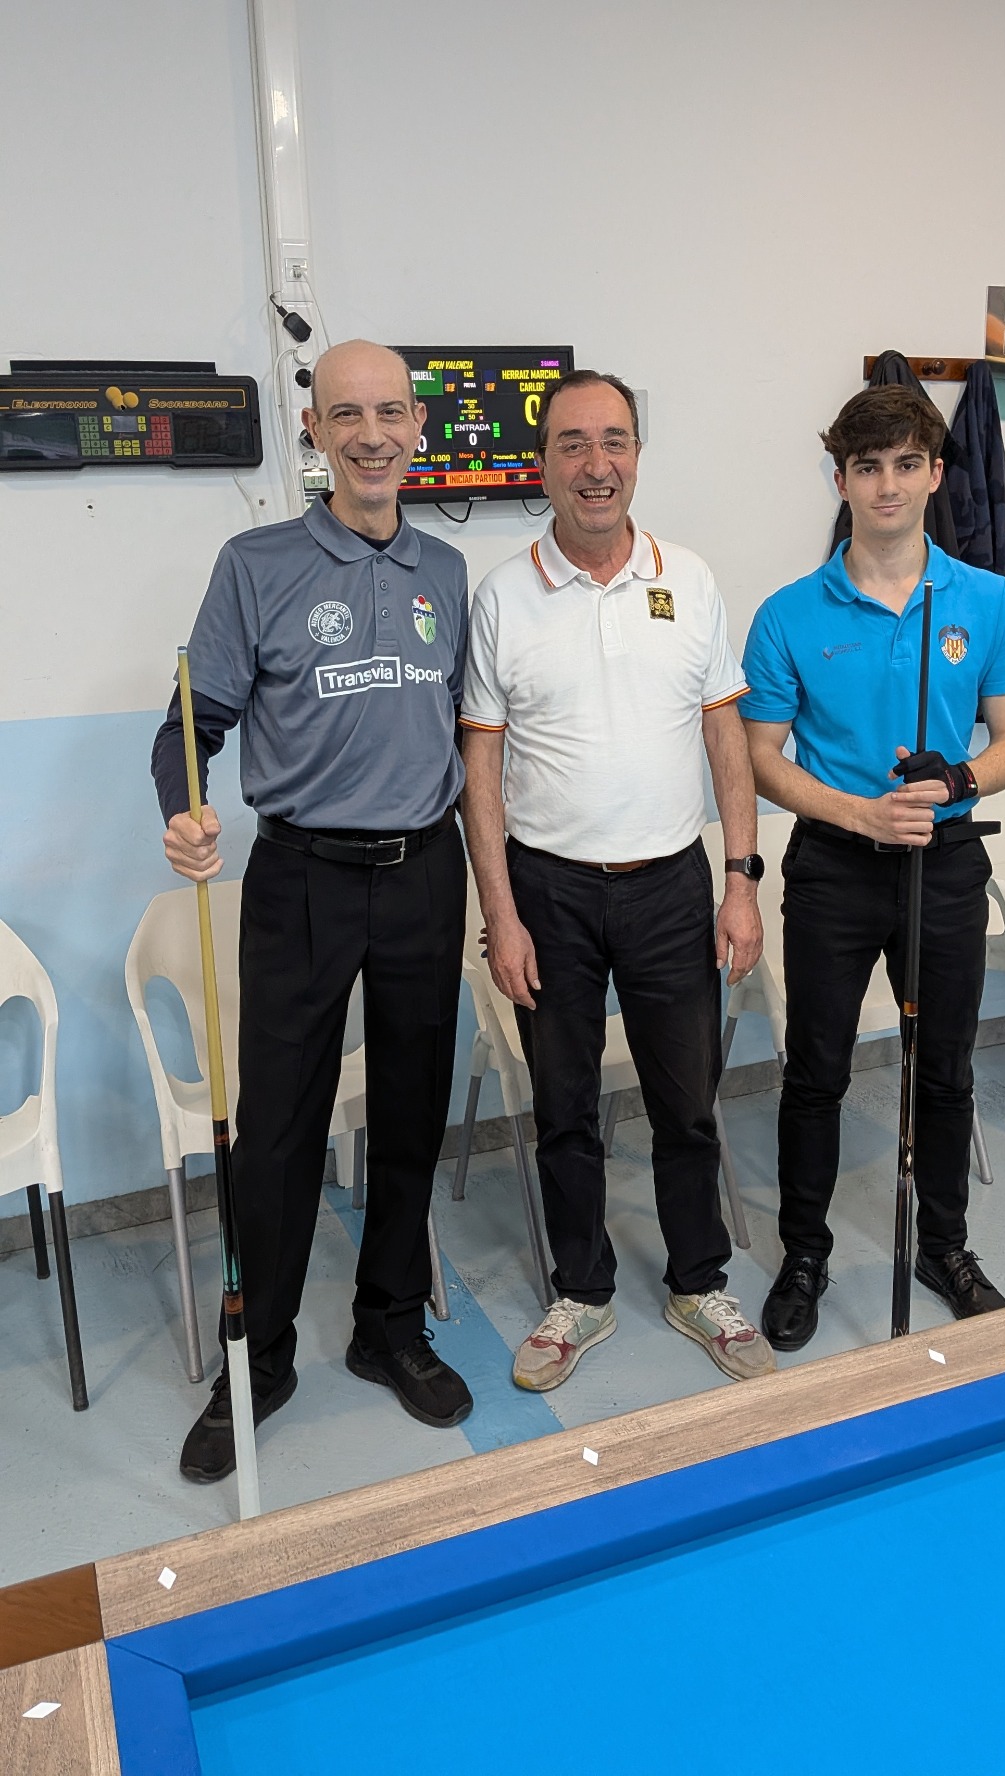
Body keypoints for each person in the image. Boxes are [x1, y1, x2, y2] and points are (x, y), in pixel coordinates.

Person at [151, 341, 472, 1481]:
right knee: (279, 1129)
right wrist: (185, 807)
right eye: (347, 415)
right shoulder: (256, 564)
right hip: (301, 878)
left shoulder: (447, 570)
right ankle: (260, 1355)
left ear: (417, 428)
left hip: (426, 869)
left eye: (390, 412)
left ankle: (390, 1324)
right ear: (316, 433)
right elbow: (189, 725)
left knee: (413, 1109)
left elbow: (462, 729)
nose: (371, 435)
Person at [460, 368, 774, 1391]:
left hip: (671, 886)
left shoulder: (691, 578)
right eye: (573, 444)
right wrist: (500, 912)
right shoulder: (502, 597)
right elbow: (479, 767)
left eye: (614, 441)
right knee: (564, 1108)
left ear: (637, 454)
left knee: (687, 1104)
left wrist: (739, 879)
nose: (596, 464)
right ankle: (582, 1292)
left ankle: (697, 1282)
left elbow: (725, 734)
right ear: (542, 463)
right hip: (548, 892)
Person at [741, 384, 1005, 1352]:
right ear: (839, 479)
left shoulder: (986, 600)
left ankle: (943, 1247)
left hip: (942, 862)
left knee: (944, 1070)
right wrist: (859, 811)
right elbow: (761, 757)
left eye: (907, 464)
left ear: (936, 474)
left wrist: (958, 777)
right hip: (833, 866)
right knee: (815, 1073)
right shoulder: (787, 613)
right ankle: (804, 1254)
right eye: (866, 466)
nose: (887, 485)